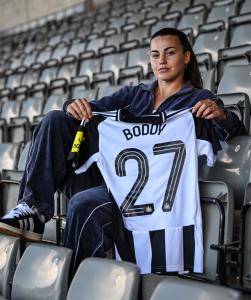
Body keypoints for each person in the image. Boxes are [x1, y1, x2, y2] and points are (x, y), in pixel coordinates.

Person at [0, 28, 246, 271]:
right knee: (55, 119)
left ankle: (78, 285)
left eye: (169, 53)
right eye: (155, 54)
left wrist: (221, 116)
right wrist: (72, 106)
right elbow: (92, 111)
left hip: (154, 196)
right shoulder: (135, 94)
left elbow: (234, 132)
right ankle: (32, 211)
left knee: (84, 203)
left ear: (186, 56)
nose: (161, 61)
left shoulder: (198, 99)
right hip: (113, 179)